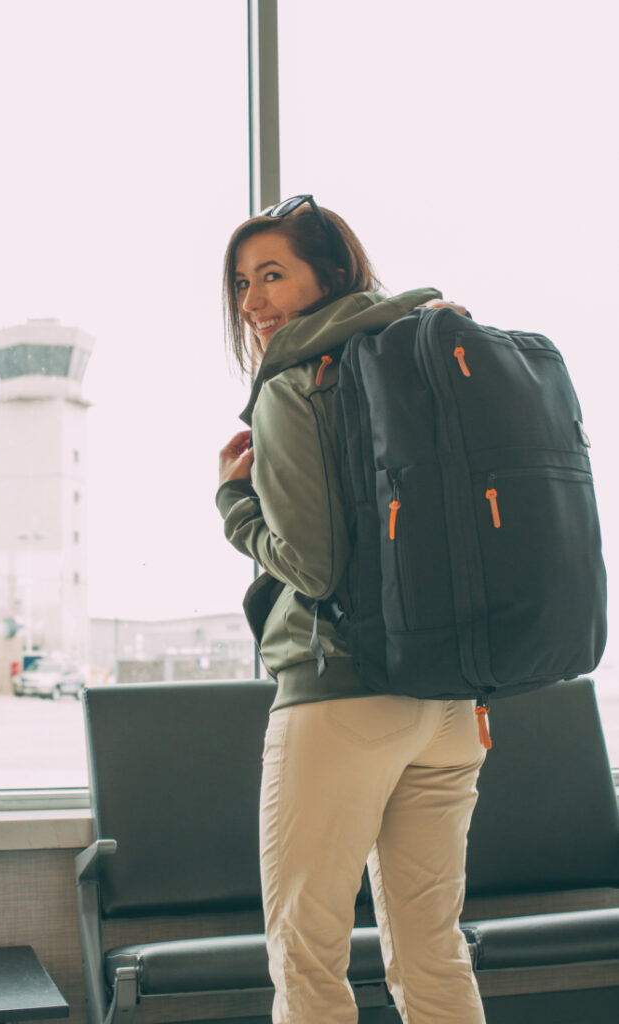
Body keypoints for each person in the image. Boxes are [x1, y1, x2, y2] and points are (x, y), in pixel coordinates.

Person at [216, 195, 486, 1024]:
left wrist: (235, 502)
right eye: (241, 283)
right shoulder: (424, 362)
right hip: (450, 700)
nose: (253, 302)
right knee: (433, 947)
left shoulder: (298, 380)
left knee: (308, 955)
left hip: (340, 698)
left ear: (328, 276)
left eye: (272, 275)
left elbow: (312, 561)